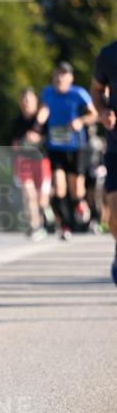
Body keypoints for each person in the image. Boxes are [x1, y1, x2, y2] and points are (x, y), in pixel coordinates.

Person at [37, 61, 96, 240]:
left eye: (64, 74)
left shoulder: (78, 94)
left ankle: (80, 204)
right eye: (57, 74)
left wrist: (80, 121)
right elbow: (44, 110)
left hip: (75, 146)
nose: (60, 78)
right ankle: (65, 225)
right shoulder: (47, 93)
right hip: (55, 146)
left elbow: (93, 114)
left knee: (76, 188)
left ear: (70, 78)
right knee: (59, 187)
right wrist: (37, 125)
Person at [90, 39, 117, 284]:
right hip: (116, 144)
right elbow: (97, 90)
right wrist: (103, 111)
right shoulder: (108, 54)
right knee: (114, 215)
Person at [11, 88, 52, 240]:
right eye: (23, 100)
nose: (25, 103)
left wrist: (38, 138)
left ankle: (44, 217)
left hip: (42, 161)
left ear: (35, 101)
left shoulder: (42, 118)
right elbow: (14, 144)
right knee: (29, 194)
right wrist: (23, 142)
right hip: (24, 162)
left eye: (28, 99)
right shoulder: (17, 121)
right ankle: (35, 226)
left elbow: (50, 139)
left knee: (42, 198)